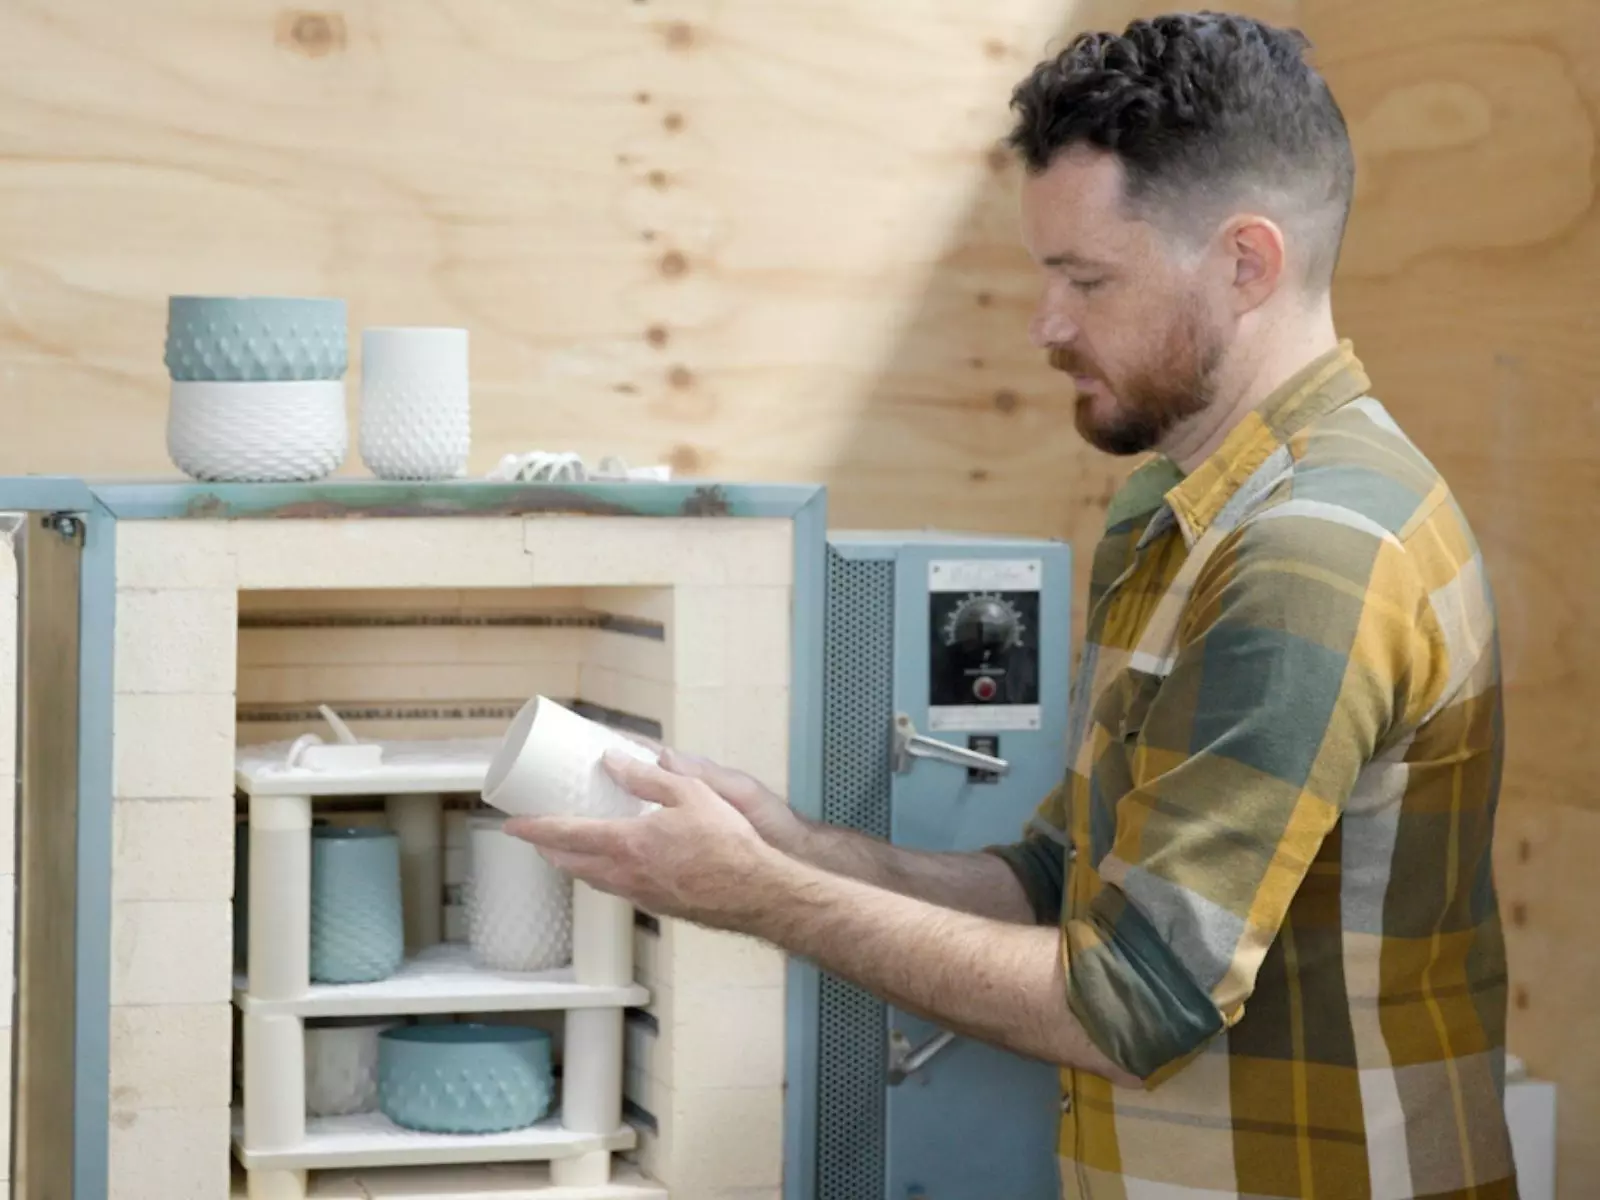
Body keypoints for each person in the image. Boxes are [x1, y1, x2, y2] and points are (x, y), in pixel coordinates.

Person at [509, 12, 1517, 1199]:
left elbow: (1131, 1005)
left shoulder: (1308, 555)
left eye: (1087, 279)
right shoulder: (1176, 518)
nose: (1046, 324)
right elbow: (1062, 881)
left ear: (1247, 263)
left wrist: (759, 895)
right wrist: (793, 842)